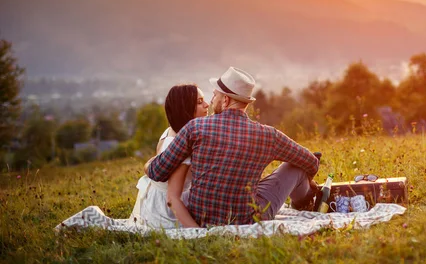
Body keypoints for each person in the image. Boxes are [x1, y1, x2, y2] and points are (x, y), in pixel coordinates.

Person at [145, 67, 320, 227]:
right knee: (296, 167)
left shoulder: (195, 127)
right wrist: (309, 180)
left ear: (226, 100)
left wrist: (150, 162)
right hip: (246, 221)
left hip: (200, 218)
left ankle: (305, 198)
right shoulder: (269, 135)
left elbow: (157, 172)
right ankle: (304, 202)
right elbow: (311, 161)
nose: (211, 101)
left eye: (215, 96)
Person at [130, 84, 209, 229]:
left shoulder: (170, 130)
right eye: (199, 102)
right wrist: (198, 232)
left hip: (154, 198)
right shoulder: (179, 146)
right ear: (185, 108)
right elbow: (172, 199)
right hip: (167, 211)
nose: (207, 104)